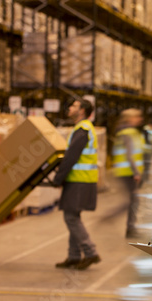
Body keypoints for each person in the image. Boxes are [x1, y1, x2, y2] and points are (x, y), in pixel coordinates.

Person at [53, 98, 101, 270]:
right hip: (81, 180)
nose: (70, 107)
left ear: (81, 111)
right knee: (73, 216)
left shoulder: (82, 130)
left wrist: (58, 178)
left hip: (79, 180)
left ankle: (90, 252)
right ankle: (74, 256)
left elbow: (71, 157)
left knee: (71, 217)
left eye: (73, 105)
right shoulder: (83, 129)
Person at [112, 108, 146, 238]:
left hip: (128, 171)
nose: (140, 119)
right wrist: (136, 172)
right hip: (127, 172)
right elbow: (130, 155)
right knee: (132, 201)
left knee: (133, 200)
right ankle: (130, 229)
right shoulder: (128, 133)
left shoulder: (132, 132)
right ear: (130, 119)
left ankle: (130, 228)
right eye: (137, 117)